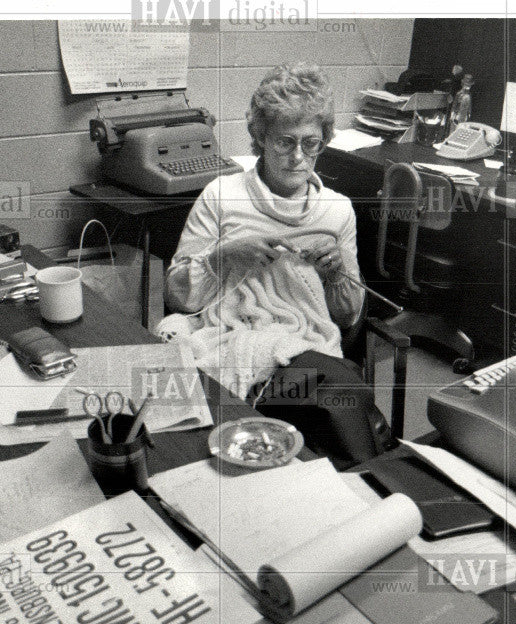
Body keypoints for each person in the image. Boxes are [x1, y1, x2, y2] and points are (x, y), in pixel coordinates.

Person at [159, 63, 386, 468]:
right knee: (339, 397)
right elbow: (178, 296)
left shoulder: (336, 211)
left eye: (311, 143)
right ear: (260, 137)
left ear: (324, 139)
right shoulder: (222, 196)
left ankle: (368, 484)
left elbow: (348, 316)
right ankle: (374, 480)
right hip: (233, 341)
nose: (299, 157)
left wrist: (336, 274)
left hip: (309, 349)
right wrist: (224, 256)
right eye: (284, 142)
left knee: (337, 402)